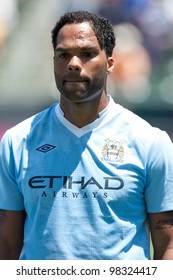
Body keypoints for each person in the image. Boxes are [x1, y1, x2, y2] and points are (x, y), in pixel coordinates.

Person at [0, 10, 173, 260]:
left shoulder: (150, 142)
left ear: (110, 63)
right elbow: (6, 245)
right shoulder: (17, 141)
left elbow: (168, 244)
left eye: (87, 54)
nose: (73, 63)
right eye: (63, 54)